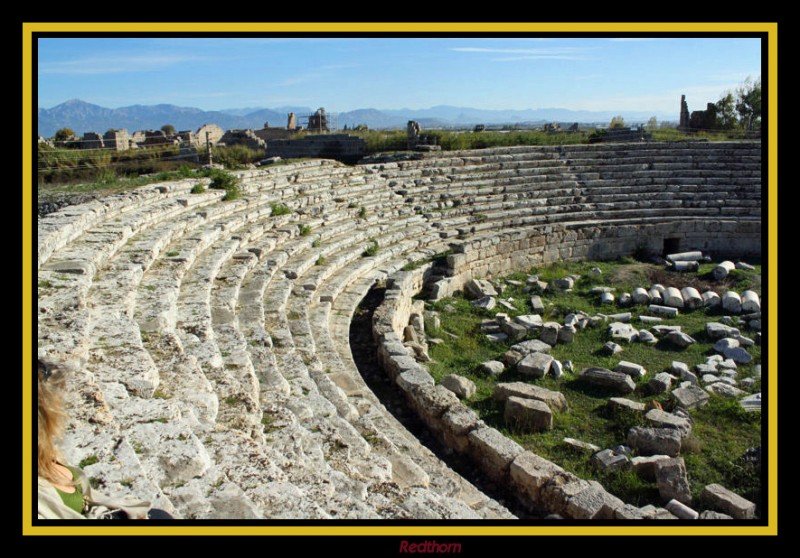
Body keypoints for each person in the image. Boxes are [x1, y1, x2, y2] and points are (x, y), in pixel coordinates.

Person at [37, 356, 172, 519]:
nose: (66, 412)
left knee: (160, 515)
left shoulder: (46, 452)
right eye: (61, 404)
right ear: (47, 416)